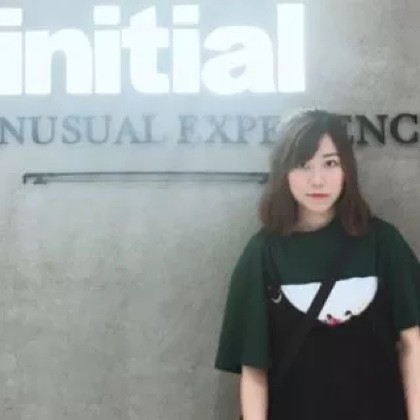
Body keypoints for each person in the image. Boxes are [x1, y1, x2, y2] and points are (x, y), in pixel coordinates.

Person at [214, 110, 420, 420]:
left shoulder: (383, 243)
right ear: (283, 172)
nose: (317, 179)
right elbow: (253, 368)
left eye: (330, 163)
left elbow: (413, 344)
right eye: (303, 164)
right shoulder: (263, 254)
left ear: (346, 168)